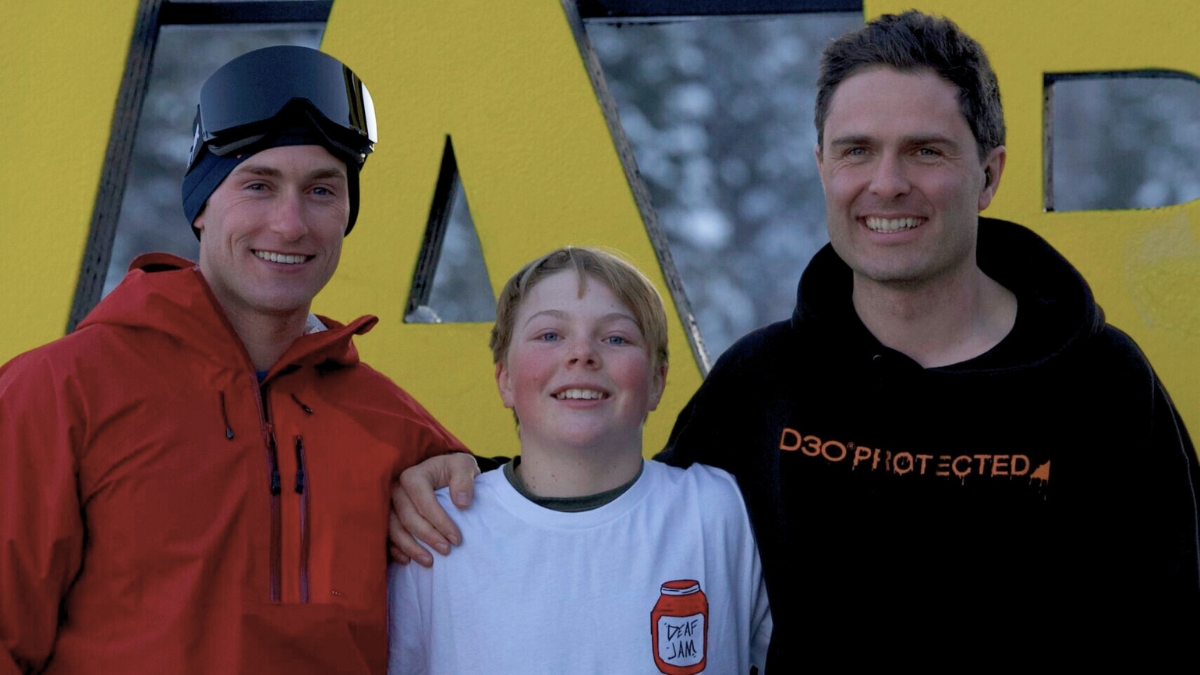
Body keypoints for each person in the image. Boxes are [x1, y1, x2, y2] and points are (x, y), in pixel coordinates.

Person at [389, 10, 1200, 657]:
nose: (887, 183)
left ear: (988, 172)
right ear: (821, 164)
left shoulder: (1103, 387)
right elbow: (624, 514)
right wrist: (469, 484)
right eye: (857, 151)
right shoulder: (764, 383)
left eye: (926, 150)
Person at [0, 46, 468, 674]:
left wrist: (460, 470)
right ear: (199, 206)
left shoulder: (394, 425)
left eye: (322, 190)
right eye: (258, 185)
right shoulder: (58, 392)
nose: (290, 223)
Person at [388, 248, 771, 674]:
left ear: (658, 381)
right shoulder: (433, 529)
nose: (582, 354)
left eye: (615, 338)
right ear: (505, 379)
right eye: (550, 335)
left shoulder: (722, 511)